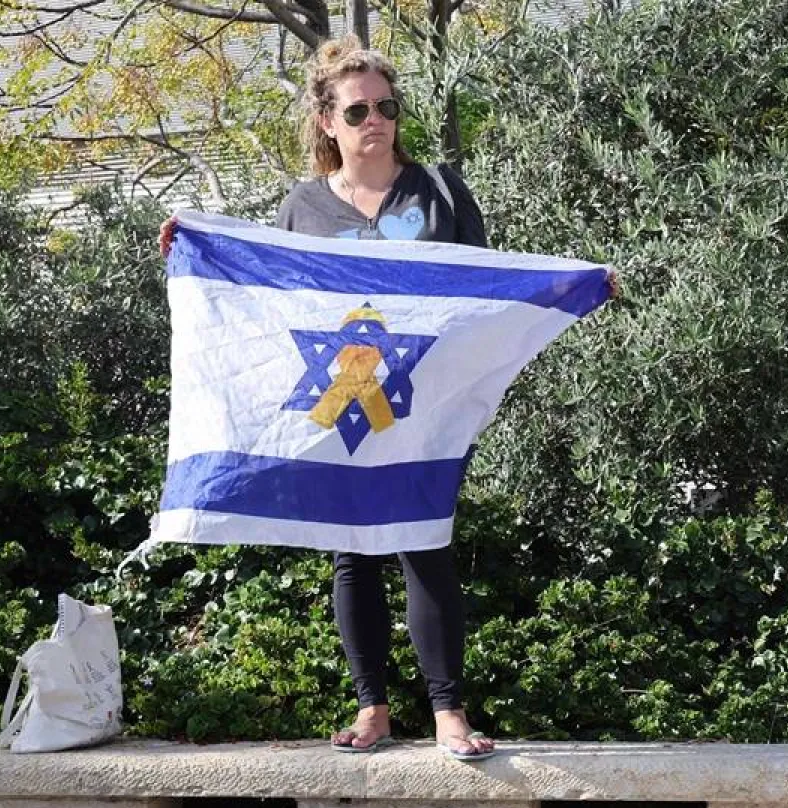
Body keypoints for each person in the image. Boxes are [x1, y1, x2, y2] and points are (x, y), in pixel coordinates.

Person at [160, 36, 614, 761]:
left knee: (424, 543)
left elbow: (488, 290)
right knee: (351, 555)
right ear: (328, 122)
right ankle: (372, 708)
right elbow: (271, 303)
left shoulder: (436, 190)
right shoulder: (302, 207)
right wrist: (195, 249)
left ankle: (447, 713)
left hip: (420, 405)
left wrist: (575, 285)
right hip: (339, 405)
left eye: (387, 106)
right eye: (359, 108)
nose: (376, 119)